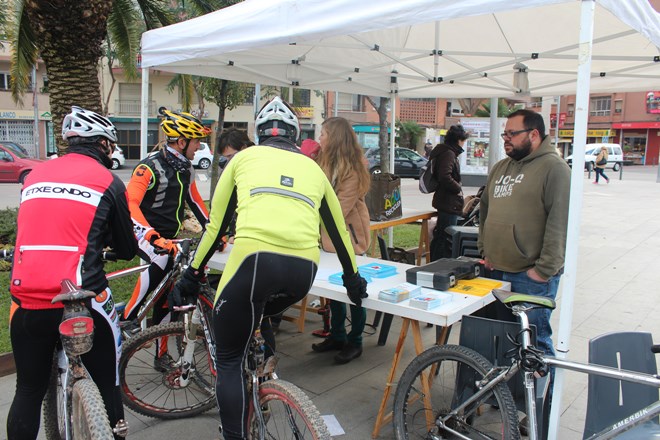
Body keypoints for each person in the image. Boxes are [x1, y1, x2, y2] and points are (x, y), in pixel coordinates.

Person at [169, 96, 368, 440]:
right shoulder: (312, 169)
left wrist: (192, 275)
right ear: (295, 134)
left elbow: (215, 227)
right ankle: (265, 358)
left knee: (229, 358)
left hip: (253, 263)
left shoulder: (244, 158)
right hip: (302, 272)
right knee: (261, 312)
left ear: (259, 134)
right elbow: (338, 232)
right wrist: (354, 283)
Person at [7, 106, 138, 440]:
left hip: (28, 302)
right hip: (81, 300)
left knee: (28, 391)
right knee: (108, 382)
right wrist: (104, 249)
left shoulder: (33, 177)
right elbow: (126, 248)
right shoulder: (109, 181)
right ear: (105, 146)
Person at [478, 109, 571, 357]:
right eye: (504, 133)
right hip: (496, 270)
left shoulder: (555, 168)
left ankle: (543, 396)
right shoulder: (500, 168)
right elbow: (484, 209)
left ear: (534, 134)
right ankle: (509, 395)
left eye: (512, 133)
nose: (506, 138)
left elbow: (560, 221)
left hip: (530, 278)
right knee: (505, 342)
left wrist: (543, 270)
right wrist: (484, 249)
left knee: (535, 345)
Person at [122, 107, 210, 333]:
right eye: (196, 141)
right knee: (162, 260)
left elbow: (196, 201)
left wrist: (215, 231)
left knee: (170, 292)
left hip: (170, 236)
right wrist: (150, 235)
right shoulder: (149, 166)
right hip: (143, 232)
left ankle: (161, 354)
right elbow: (130, 203)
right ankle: (127, 317)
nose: (199, 146)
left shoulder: (186, 169)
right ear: (181, 142)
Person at [311, 116, 371, 364]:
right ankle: (337, 335)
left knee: (354, 291)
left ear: (334, 137)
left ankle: (355, 341)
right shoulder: (323, 162)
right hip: (327, 239)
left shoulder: (353, 168)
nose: (319, 138)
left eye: (323, 134)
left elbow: (339, 207)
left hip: (349, 241)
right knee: (333, 289)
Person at [429, 125, 469, 261]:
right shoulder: (448, 153)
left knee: (441, 236)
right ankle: (439, 265)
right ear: (458, 139)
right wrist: (457, 188)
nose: (464, 143)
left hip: (445, 201)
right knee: (445, 238)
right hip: (448, 203)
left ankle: (435, 263)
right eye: (463, 140)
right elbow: (444, 176)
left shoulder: (444, 151)